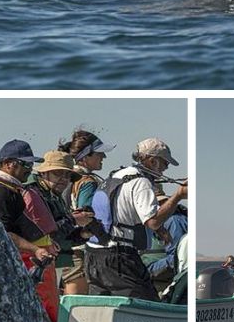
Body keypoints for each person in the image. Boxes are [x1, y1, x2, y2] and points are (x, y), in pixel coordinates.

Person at [84, 138, 187, 302]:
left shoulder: (116, 175)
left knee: (103, 309)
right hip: (118, 257)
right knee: (149, 307)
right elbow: (152, 221)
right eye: (165, 164)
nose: (165, 169)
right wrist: (178, 196)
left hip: (93, 255)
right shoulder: (141, 182)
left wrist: (160, 231)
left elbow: (122, 211)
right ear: (153, 161)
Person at [0, 139, 62, 322]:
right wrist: (35, 249)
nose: (30, 169)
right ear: (8, 164)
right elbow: (1, 232)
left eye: (31, 164)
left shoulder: (7, 189)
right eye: (25, 164)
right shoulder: (0, 192)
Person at [26, 150, 103, 296]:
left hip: (51, 261)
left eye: (67, 175)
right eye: (57, 173)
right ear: (43, 173)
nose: (63, 179)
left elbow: (61, 236)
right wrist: (74, 220)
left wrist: (83, 233)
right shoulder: (34, 194)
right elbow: (46, 233)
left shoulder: (53, 196)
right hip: (35, 262)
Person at [59, 129, 116, 295]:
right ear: (85, 157)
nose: (103, 157)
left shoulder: (66, 177)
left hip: (64, 245)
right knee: (77, 304)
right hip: (79, 250)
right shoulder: (87, 182)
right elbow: (87, 216)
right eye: (99, 153)